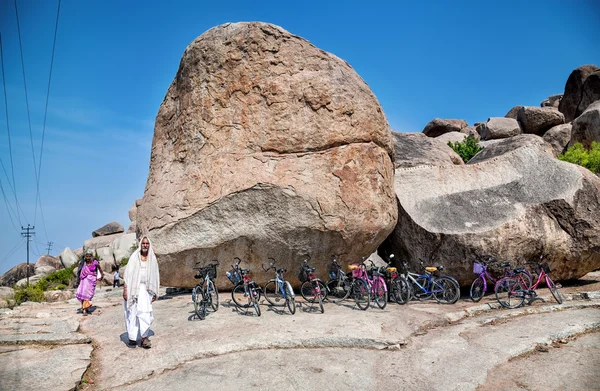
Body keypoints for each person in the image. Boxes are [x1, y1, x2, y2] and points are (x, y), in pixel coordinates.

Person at [123, 236, 160, 349]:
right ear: (140, 245)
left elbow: (156, 275)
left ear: (149, 245)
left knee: (145, 313)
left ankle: (144, 338)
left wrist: (155, 292)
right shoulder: (134, 257)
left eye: (147, 243)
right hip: (133, 288)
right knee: (132, 313)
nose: (145, 245)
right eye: (143, 243)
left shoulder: (152, 258)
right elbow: (127, 274)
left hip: (146, 290)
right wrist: (125, 289)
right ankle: (132, 338)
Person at [75, 249, 104, 315]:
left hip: (92, 281)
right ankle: (84, 309)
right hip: (84, 280)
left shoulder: (95, 262)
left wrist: (101, 275)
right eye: (87, 256)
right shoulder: (83, 263)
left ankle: (86, 307)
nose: (88, 258)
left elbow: (100, 269)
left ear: (91, 256)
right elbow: (79, 271)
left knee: (89, 295)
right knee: (83, 294)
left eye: (89, 256)